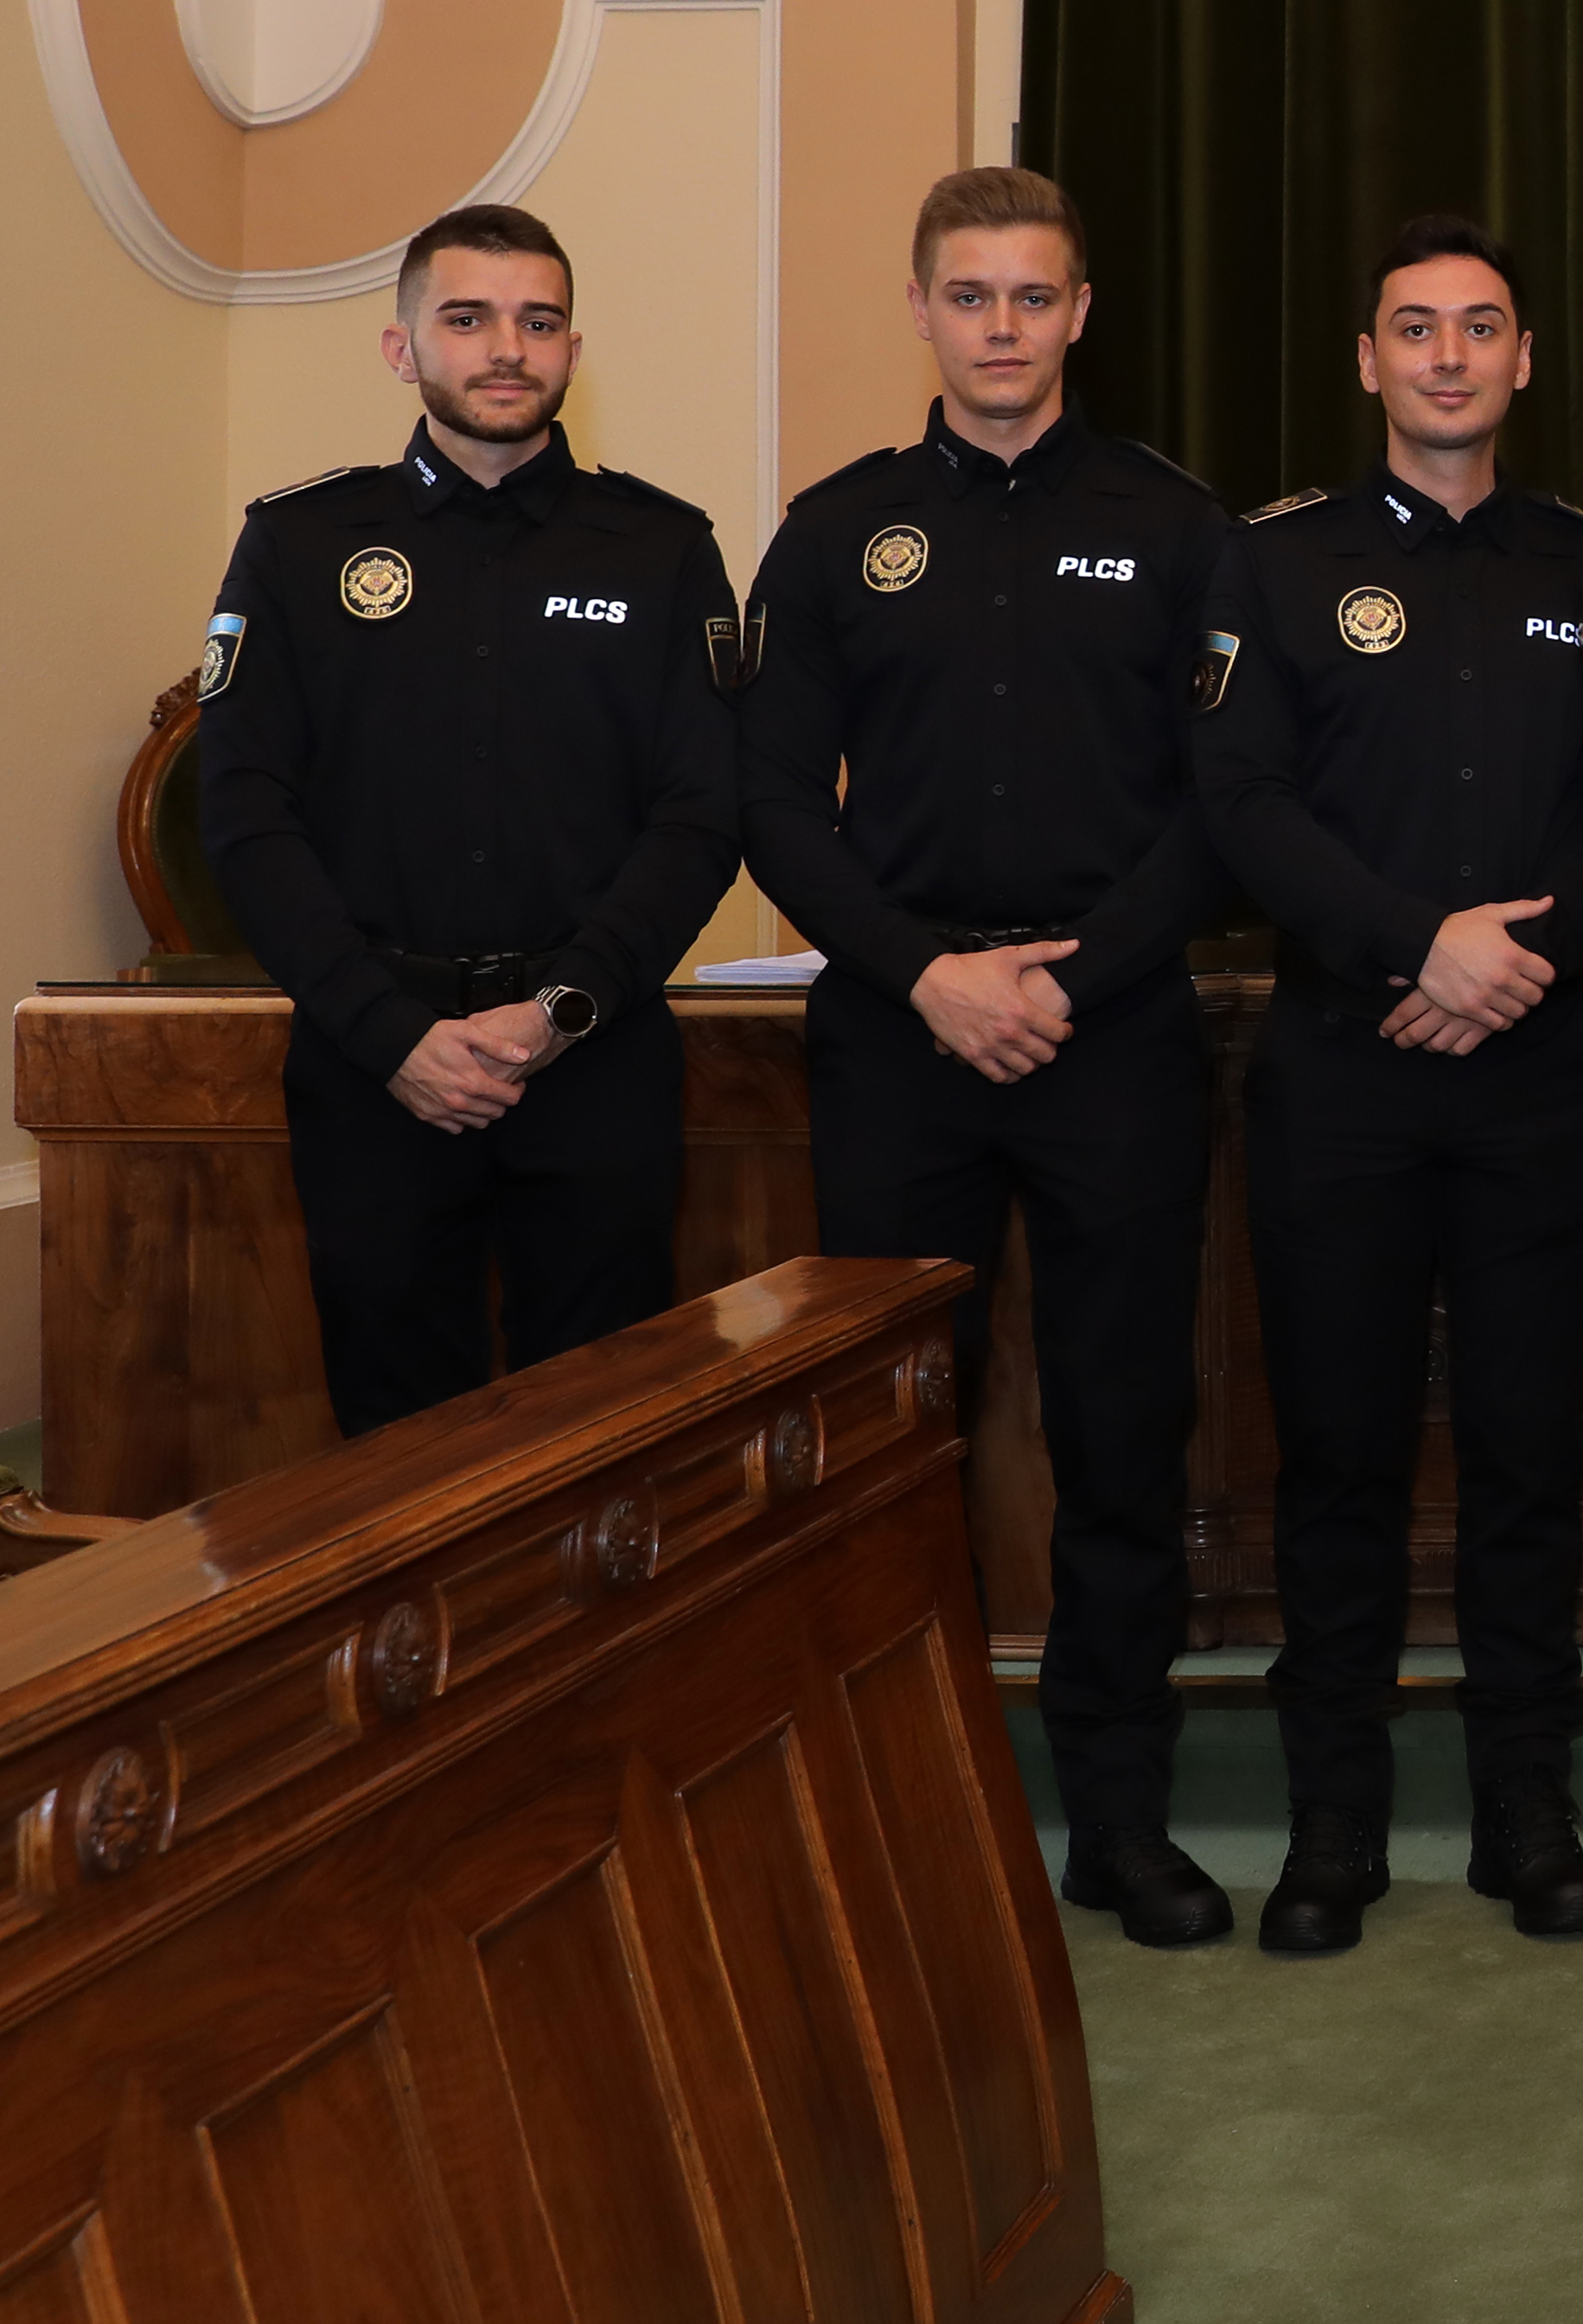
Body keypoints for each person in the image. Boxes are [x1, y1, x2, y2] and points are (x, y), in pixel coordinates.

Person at [742, 166, 1238, 1950]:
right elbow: (778, 802)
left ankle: (1122, 1820)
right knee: (893, 1449)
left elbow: (1220, 802)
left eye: (1035, 294)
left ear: (1081, 308)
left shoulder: (1182, 529)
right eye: (972, 295)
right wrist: (929, 972)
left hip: (1116, 1047)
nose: (1005, 325)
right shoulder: (836, 531)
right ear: (923, 305)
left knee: (1123, 1437)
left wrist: (1076, 978)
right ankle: (915, 1817)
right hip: (899, 1045)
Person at [1192, 214, 1583, 1957]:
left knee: (1531, 1456)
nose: (1449, 355)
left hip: (1533, 1070)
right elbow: (1242, 805)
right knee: (1341, 1458)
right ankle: (1335, 1822)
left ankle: (1529, 1808)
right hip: (1339, 1073)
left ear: (1526, 361)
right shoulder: (1273, 568)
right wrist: (1410, 949)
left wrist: (1504, 961)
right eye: (1415, 328)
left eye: (1483, 328)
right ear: (1366, 361)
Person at [192, 201, 738, 1440]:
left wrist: (563, 1009)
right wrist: (391, 1034)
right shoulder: (299, 544)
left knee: (605, 1438)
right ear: (403, 350)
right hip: (372, 1062)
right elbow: (245, 812)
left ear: (572, 352)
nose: (507, 347)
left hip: (591, 1058)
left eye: (538, 322)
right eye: (470, 318)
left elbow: (703, 812)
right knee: (396, 1446)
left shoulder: (661, 548)